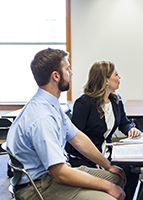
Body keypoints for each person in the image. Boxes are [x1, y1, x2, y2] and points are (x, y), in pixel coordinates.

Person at [6, 48, 126, 200]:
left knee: (116, 178)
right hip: (39, 186)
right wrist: (107, 187)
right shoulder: (42, 118)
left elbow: (77, 138)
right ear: (55, 76)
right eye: (67, 69)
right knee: (109, 196)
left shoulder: (50, 105)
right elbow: (60, 173)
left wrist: (108, 165)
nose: (71, 73)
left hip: (52, 176)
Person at [65, 60, 141, 200]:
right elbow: (74, 141)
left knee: (133, 169)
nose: (119, 78)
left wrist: (131, 129)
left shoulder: (115, 101)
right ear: (106, 80)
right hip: (85, 159)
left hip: (107, 154)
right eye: (116, 75)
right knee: (118, 176)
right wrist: (96, 160)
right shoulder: (84, 103)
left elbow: (124, 123)